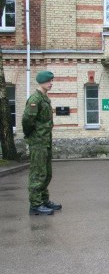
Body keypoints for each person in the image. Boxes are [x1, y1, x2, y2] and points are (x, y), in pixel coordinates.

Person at [22, 71, 62, 215]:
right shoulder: (35, 99)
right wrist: (32, 136)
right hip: (38, 142)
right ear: (42, 82)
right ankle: (35, 204)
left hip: (45, 141)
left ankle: (44, 200)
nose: (51, 83)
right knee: (38, 174)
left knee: (46, 173)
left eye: (52, 81)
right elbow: (27, 121)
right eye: (49, 81)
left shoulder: (45, 98)